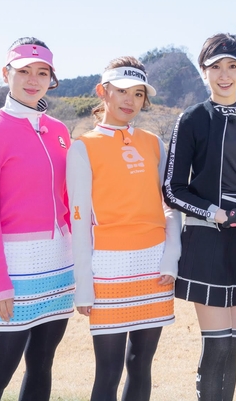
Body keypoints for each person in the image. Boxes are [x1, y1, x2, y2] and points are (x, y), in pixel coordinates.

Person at [162, 33, 236, 401]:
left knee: (233, 347)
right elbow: (173, 189)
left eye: (232, 66)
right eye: (216, 67)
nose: (224, 75)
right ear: (204, 71)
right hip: (207, 241)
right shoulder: (192, 119)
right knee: (217, 346)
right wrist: (219, 214)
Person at [67, 56, 181, 401]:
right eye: (121, 91)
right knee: (108, 371)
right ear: (103, 92)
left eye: (138, 93)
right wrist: (83, 283)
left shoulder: (154, 143)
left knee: (141, 365)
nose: (130, 100)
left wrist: (171, 256)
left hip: (154, 266)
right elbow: (79, 219)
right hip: (108, 268)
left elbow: (170, 205)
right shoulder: (82, 147)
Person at [0, 37, 75, 401]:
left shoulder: (59, 131)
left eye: (42, 72)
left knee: (42, 364)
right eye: (24, 70)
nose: (33, 79)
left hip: (59, 263)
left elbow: (68, 199)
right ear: (6, 74)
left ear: (51, 79)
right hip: (15, 269)